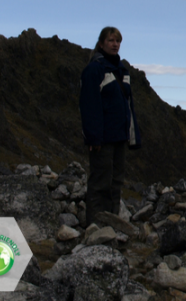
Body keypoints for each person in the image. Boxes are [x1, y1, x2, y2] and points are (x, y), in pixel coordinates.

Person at [79, 26, 142, 227]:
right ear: (101, 43)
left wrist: (132, 135)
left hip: (120, 137)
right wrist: (93, 138)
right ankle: (95, 228)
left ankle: (112, 226)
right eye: (111, 41)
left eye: (118, 41)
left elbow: (128, 106)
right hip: (103, 139)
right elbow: (89, 106)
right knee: (100, 184)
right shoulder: (94, 70)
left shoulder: (122, 70)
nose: (115, 44)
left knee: (115, 183)